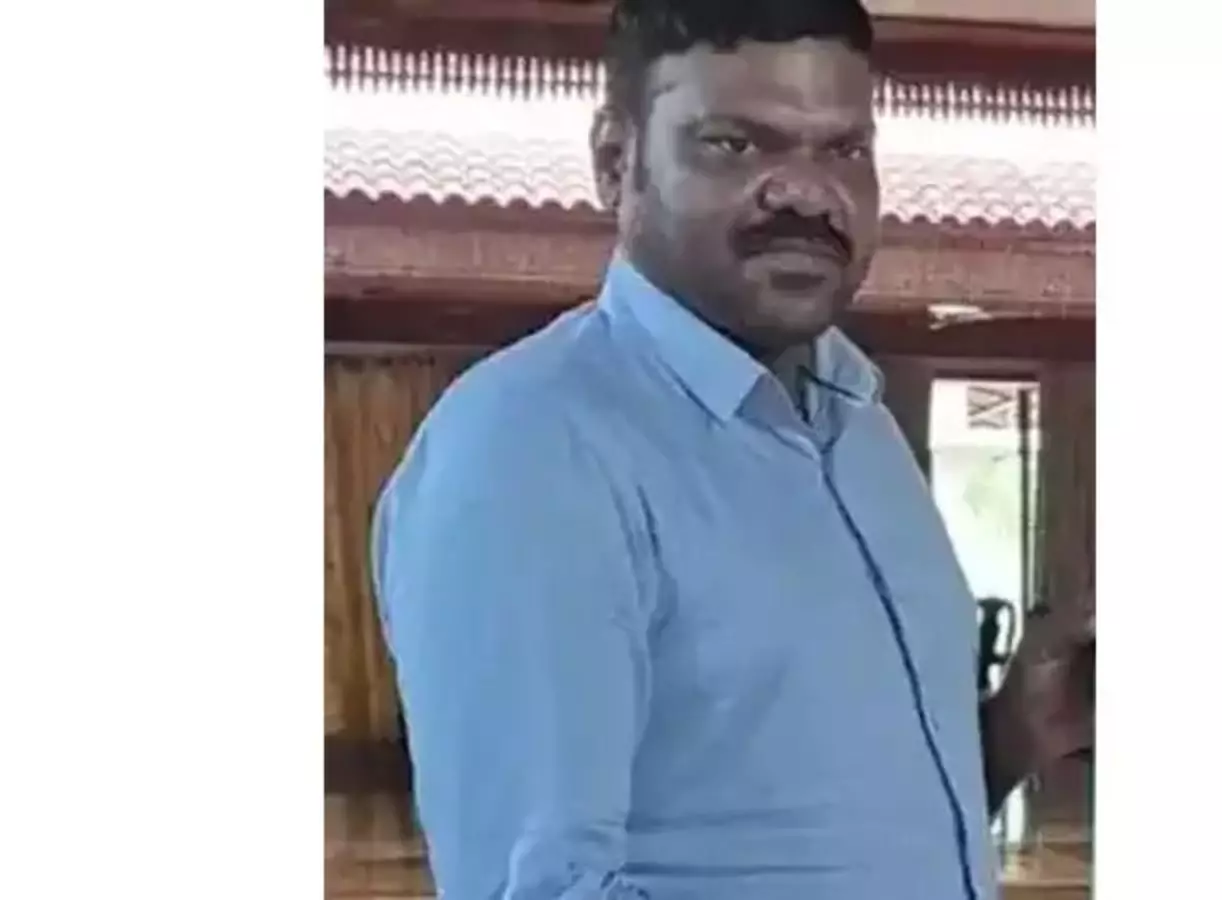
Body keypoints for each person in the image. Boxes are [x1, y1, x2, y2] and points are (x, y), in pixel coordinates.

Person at [370, 1, 1093, 898]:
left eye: (844, 149)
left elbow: (841, 837)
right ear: (615, 162)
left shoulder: (857, 425)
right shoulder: (532, 449)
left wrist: (1018, 729)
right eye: (733, 144)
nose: (806, 192)